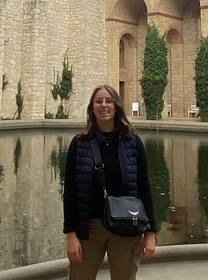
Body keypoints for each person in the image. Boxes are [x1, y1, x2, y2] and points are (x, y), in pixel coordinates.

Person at [63, 84, 157, 280]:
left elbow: (144, 188)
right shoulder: (79, 143)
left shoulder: (132, 142)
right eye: (98, 101)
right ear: (92, 107)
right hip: (88, 229)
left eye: (108, 101)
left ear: (116, 106)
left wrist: (150, 232)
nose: (103, 105)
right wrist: (71, 234)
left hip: (126, 227)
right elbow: (70, 192)